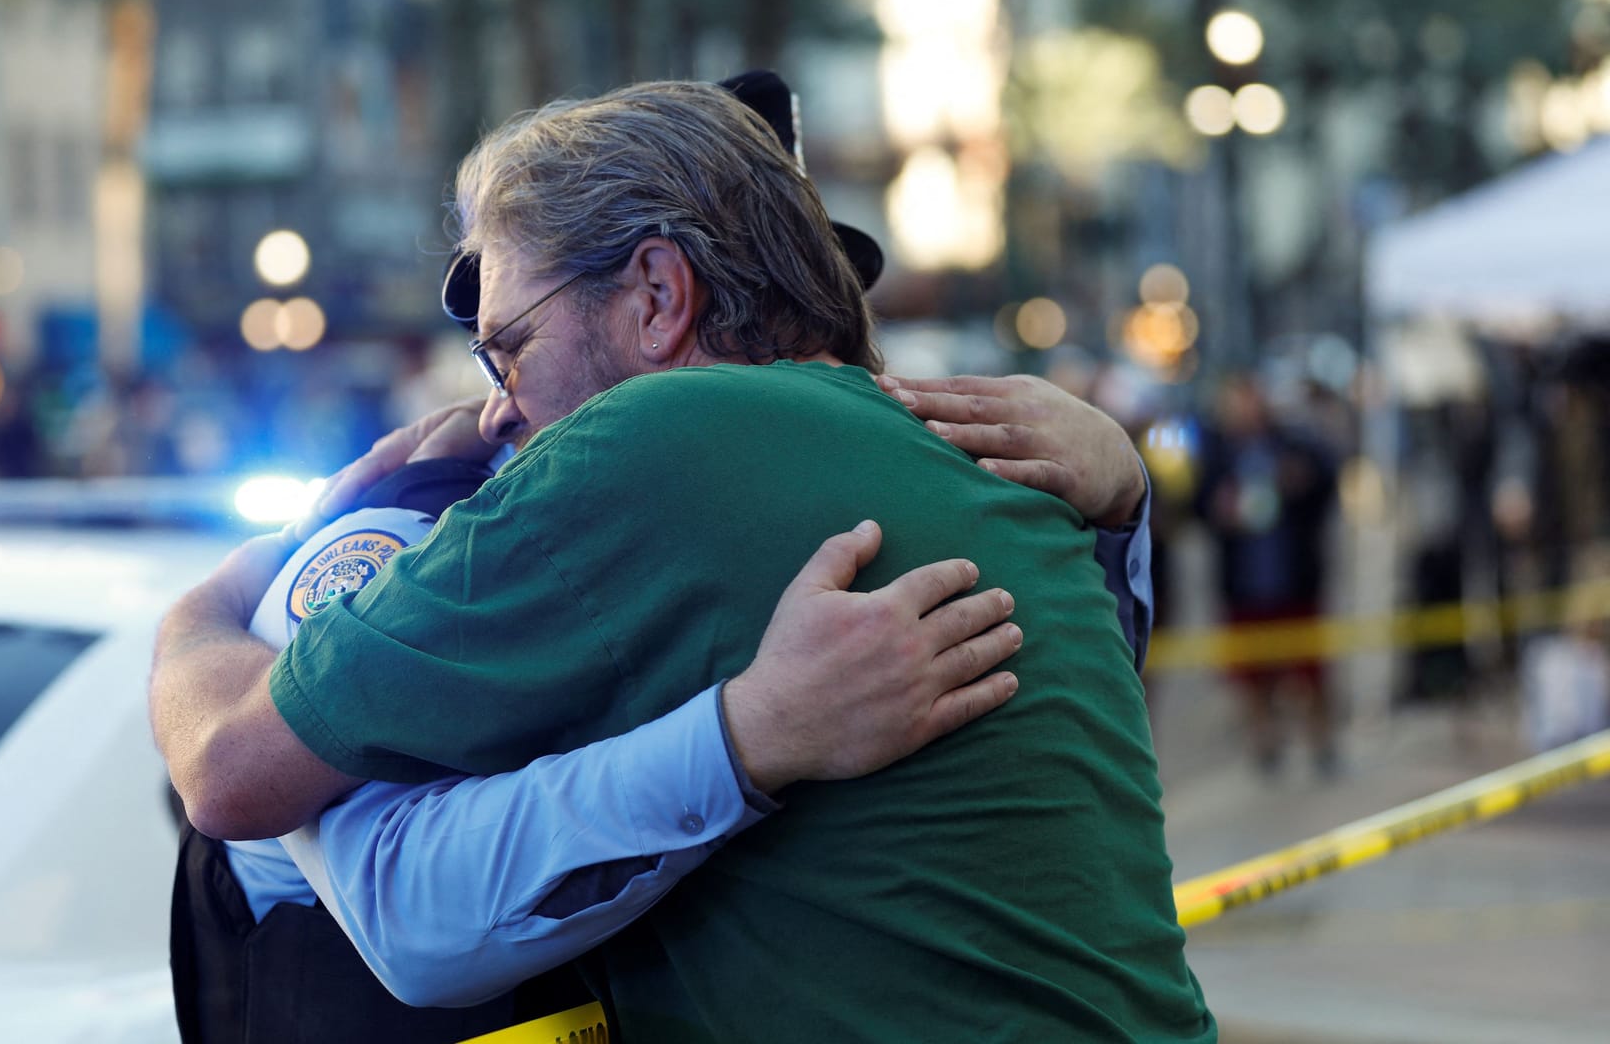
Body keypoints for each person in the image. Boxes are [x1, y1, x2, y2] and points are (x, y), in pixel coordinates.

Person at [154, 80, 1211, 1040]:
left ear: (657, 296)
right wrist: (1125, 501)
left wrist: (210, 606)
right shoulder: (1000, 461)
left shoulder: (645, 444)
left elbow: (233, 775)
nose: (495, 405)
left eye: (509, 345)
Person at [1194, 372, 1339, 776]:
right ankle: (1265, 743)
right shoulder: (1218, 452)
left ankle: (1321, 741)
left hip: (1293, 578)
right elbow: (1198, 502)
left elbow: (1327, 481)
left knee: (1310, 671)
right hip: (1244, 583)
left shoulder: (1294, 443)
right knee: (1252, 676)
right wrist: (1217, 507)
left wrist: (1301, 481)